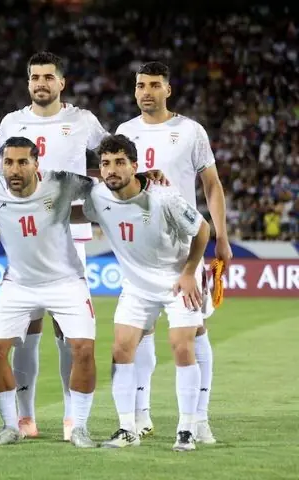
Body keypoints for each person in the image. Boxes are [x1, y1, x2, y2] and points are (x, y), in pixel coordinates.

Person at [0, 51, 108, 440]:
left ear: (61, 83)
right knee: (26, 327)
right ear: (28, 83)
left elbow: (110, 157)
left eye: (47, 77)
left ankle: (72, 416)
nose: (40, 83)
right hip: (25, 234)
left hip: (69, 232)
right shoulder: (12, 122)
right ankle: (25, 416)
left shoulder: (83, 120)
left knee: (67, 330)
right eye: (34, 77)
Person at [0, 136, 98, 448]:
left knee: (83, 349)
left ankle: (80, 427)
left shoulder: (61, 183)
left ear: (37, 164)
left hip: (66, 282)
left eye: (23, 162)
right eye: (8, 162)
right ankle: (10, 425)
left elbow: (102, 187)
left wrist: (141, 179)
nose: (15, 169)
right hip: (18, 283)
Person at [116, 61, 231, 442]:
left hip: (185, 249)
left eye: (154, 85)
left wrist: (223, 237)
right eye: (140, 85)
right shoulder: (125, 132)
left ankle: (199, 419)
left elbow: (211, 185)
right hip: (139, 250)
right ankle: (141, 416)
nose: (146, 91)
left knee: (194, 331)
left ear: (168, 90)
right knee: (138, 333)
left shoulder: (190, 131)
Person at [74, 135, 210, 451]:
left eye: (120, 162)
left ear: (136, 166)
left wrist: (190, 272)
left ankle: (186, 430)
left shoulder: (164, 198)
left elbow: (202, 229)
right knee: (121, 349)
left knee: (180, 346)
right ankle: (126, 428)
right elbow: (84, 213)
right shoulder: (99, 196)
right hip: (137, 287)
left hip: (177, 281)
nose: (111, 170)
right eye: (105, 164)